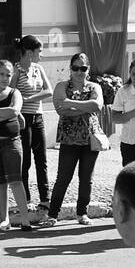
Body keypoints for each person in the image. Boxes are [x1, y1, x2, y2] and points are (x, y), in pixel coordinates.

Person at [41, 53, 104, 227]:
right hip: (69, 140)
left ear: (88, 69)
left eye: (83, 68)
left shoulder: (94, 87)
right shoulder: (62, 86)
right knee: (63, 178)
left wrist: (72, 103)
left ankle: (82, 213)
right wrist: (85, 108)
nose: (79, 72)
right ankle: (52, 214)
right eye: (75, 68)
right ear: (70, 69)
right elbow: (61, 109)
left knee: (86, 179)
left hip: (90, 139)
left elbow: (97, 106)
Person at [0, 58, 33, 231]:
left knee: (16, 180)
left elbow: (14, 111)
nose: (5, 78)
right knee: (0, 182)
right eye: (1, 74)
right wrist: (4, 114)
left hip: (11, 143)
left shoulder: (14, 93)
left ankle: (25, 219)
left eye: (8, 75)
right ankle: (5, 220)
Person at [12, 34, 52, 209]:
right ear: (29, 52)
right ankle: (26, 199)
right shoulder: (17, 70)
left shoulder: (38, 68)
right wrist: (25, 101)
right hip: (23, 119)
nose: (41, 55)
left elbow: (48, 91)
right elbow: (12, 93)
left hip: (38, 117)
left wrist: (27, 99)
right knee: (25, 160)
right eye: (39, 51)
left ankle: (45, 198)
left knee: (41, 159)